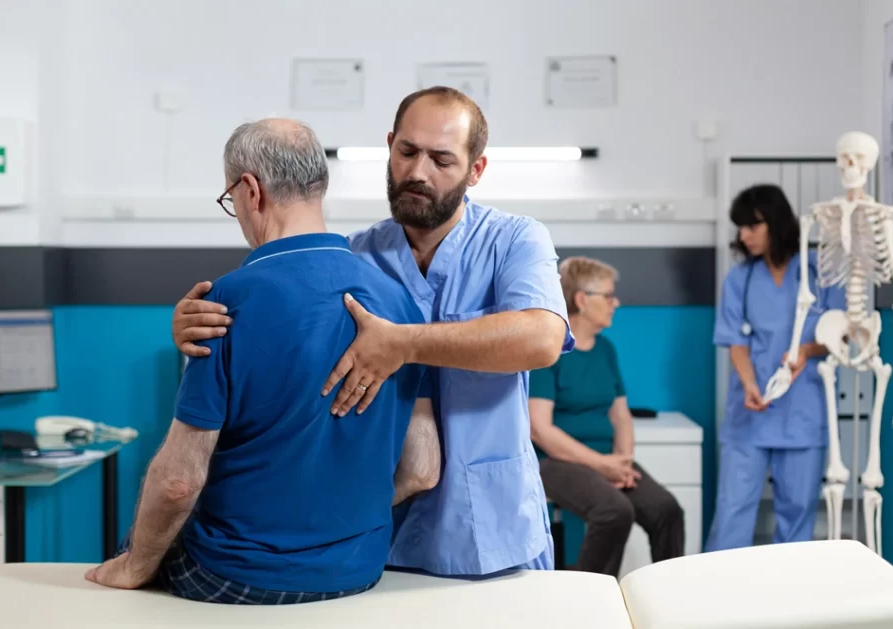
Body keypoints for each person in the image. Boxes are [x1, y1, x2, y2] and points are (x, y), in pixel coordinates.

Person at [171, 87, 574, 576]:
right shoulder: (355, 255)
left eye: (442, 160)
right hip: (379, 534)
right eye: (407, 152)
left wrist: (402, 342)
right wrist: (197, 326)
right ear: (389, 146)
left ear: (476, 170)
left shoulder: (515, 240)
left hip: (492, 526)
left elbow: (541, 339)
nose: (418, 173)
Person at [84, 119, 441, 604]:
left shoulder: (225, 304)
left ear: (250, 191)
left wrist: (133, 567)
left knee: (142, 545)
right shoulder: (403, 309)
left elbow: (178, 482)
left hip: (239, 575)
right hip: (360, 569)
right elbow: (423, 470)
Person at [708, 183, 845, 552]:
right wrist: (750, 383)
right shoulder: (741, 279)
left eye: (753, 226)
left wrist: (806, 350)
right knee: (733, 511)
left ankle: (789, 600)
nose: (744, 235)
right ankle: (712, 597)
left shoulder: (821, 273)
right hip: (750, 411)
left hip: (803, 409)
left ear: (776, 223)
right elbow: (734, 340)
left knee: (798, 512)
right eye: (741, 228)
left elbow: (843, 333)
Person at [529, 256, 684, 577]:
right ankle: (590, 601)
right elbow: (539, 429)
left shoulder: (605, 349)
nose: (616, 302)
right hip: (553, 461)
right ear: (582, 300)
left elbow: (621, 416)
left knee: (666, 510)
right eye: (608, 296)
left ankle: (670, 593)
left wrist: (623, 461)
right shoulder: (550, 349)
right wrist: (602, 465)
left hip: (607, 459)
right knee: (614, 511)